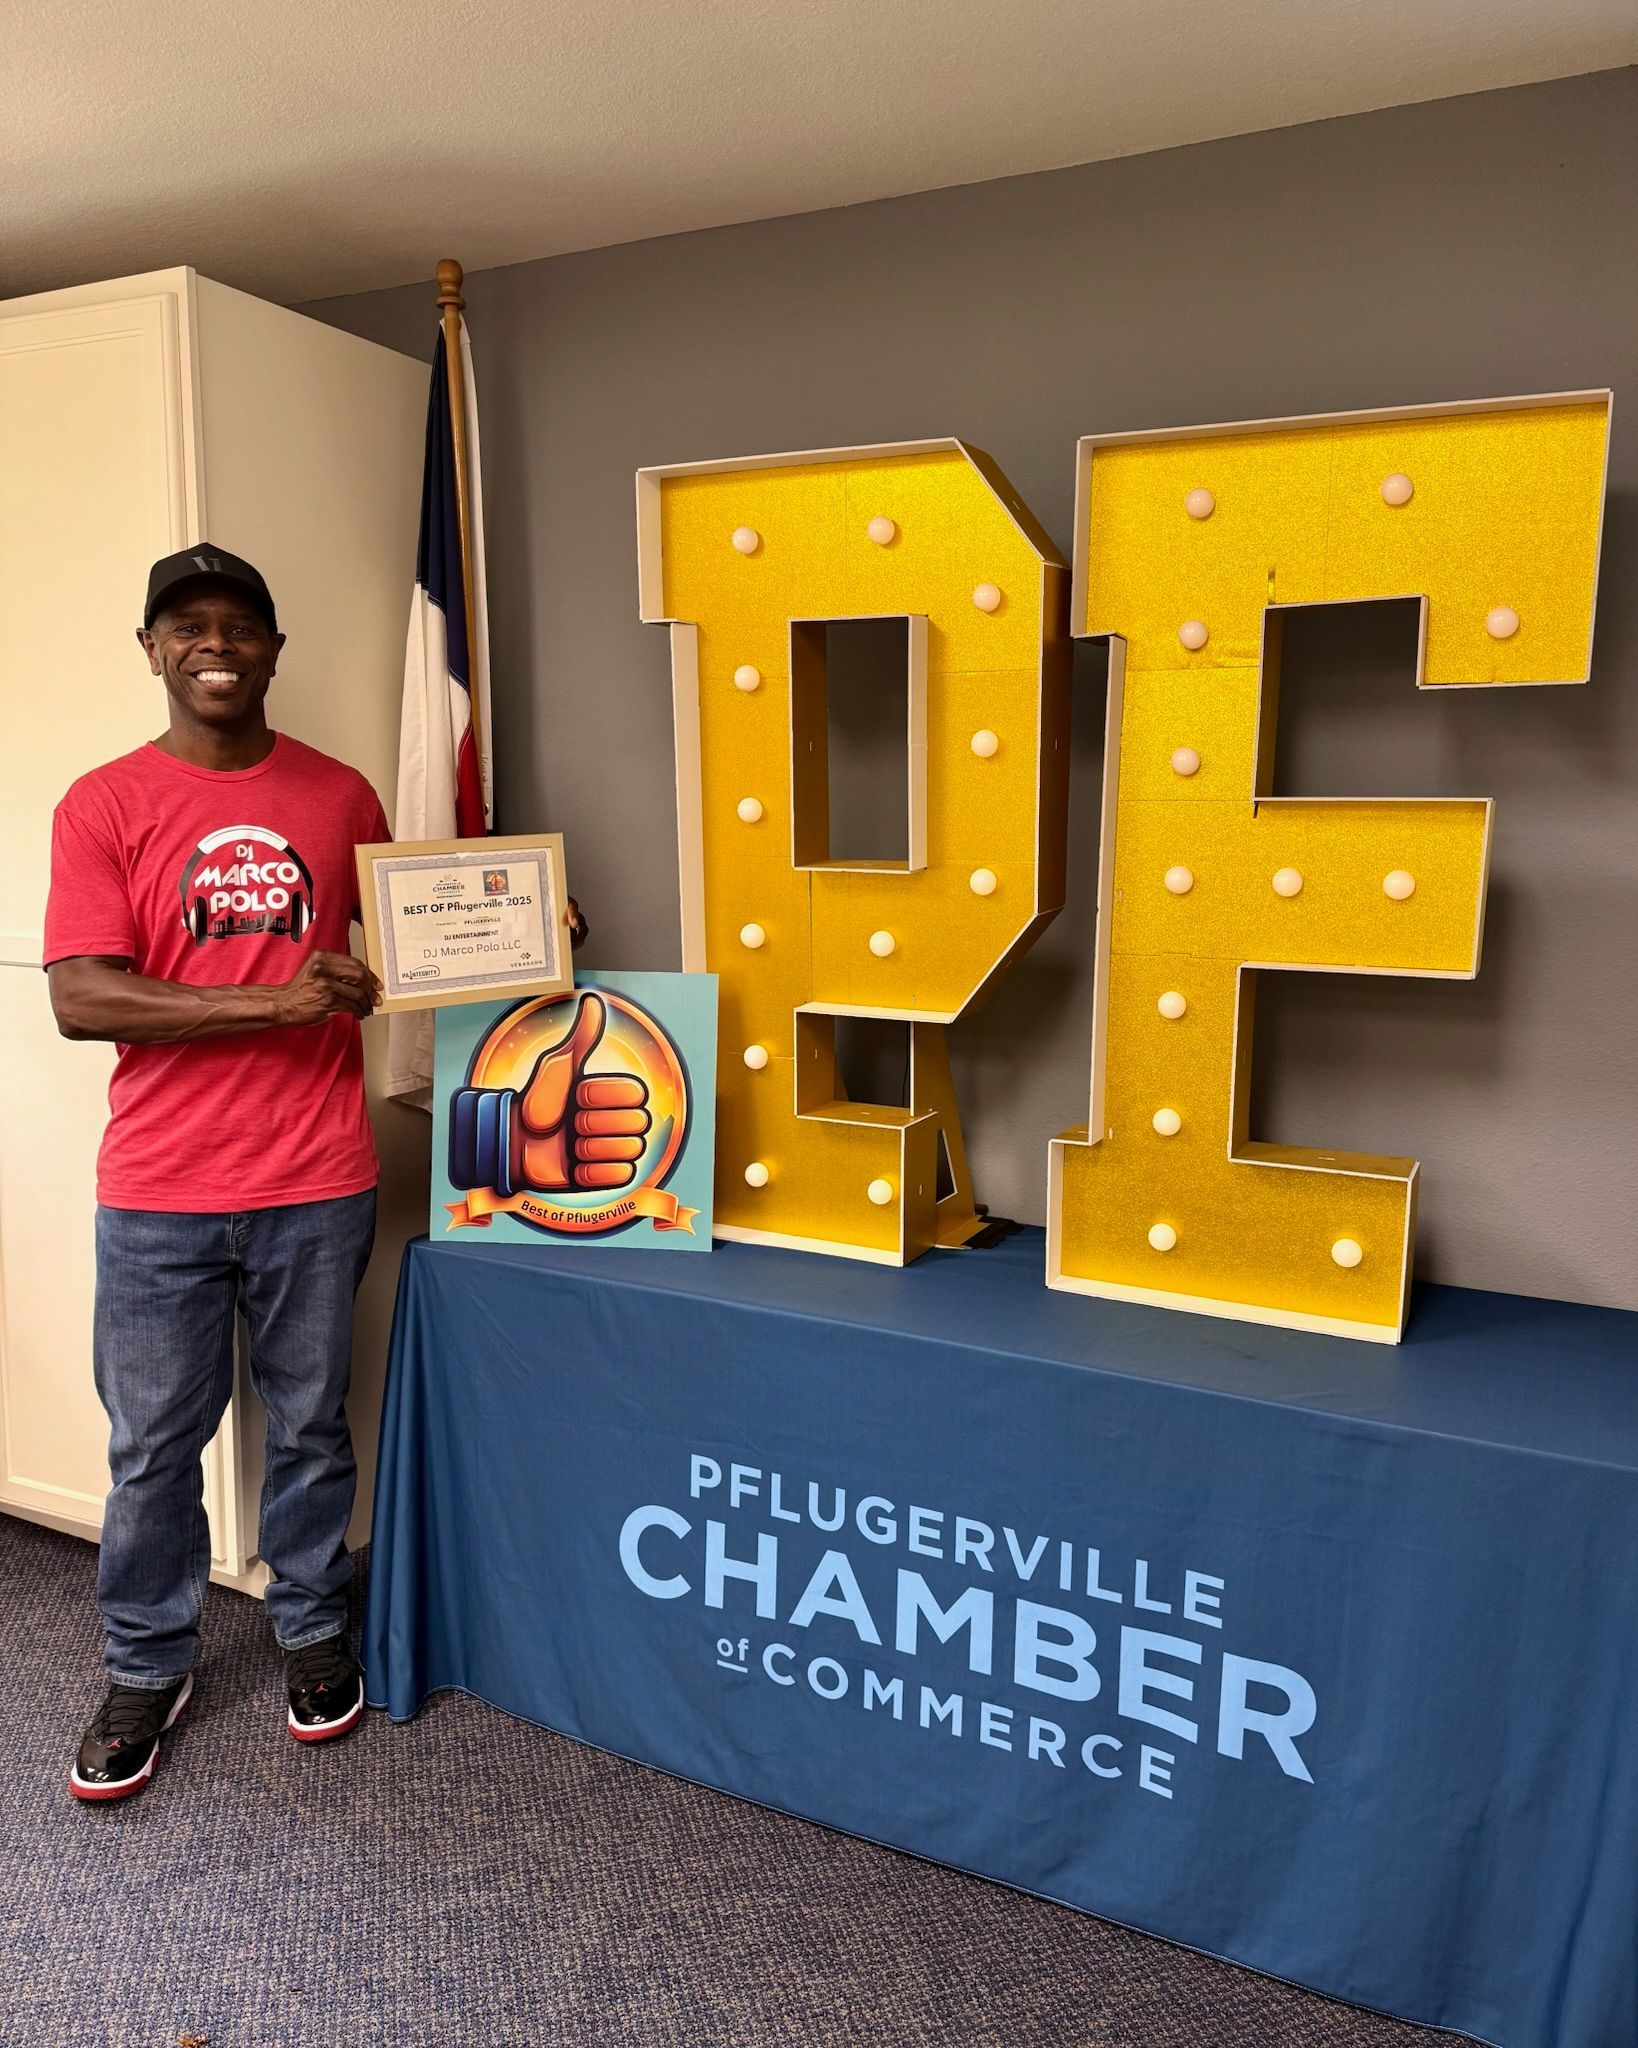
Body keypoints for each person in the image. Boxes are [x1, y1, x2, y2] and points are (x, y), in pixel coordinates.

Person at [44, 544, 585, 1800]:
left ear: (275, 650)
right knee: (152, 1447)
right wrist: (284, 1000)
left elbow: (420, 929)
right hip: (161, 1187)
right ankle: (146, 1660)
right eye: (188, 625)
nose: (214, 642)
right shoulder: (104, 802)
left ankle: (310, 1628)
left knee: (306, 1426)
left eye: (240, 624)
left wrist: (528, 925)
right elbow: (81, 995)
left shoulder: (338, 793)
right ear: (154, 650)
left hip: (315, 1173)